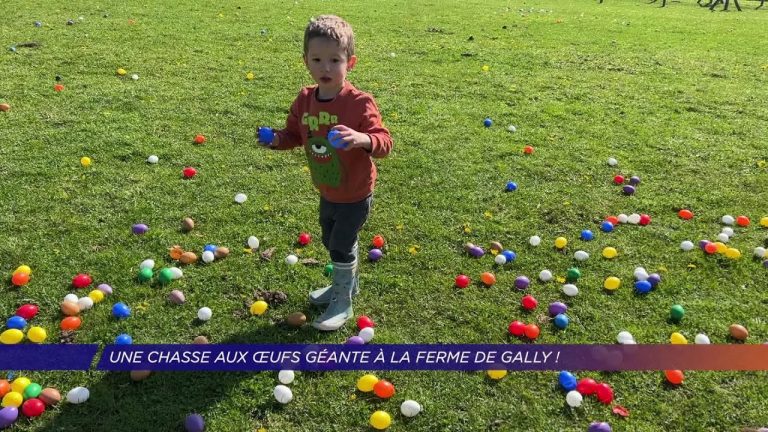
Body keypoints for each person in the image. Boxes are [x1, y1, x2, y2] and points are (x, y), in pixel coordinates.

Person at [256, 15, 393, 331]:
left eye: (335, 60)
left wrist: (361, 139)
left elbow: (384, 142)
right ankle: (346, 285)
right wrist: (276, 140)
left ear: (351, 62)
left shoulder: (359, 103)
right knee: (330, 238)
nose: (326, 68)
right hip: (327, 189)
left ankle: (343, 301)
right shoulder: (305, 100)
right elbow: (293, 134)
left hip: (356, 191)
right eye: (317, 60)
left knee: (340, 244)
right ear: (306, 61)